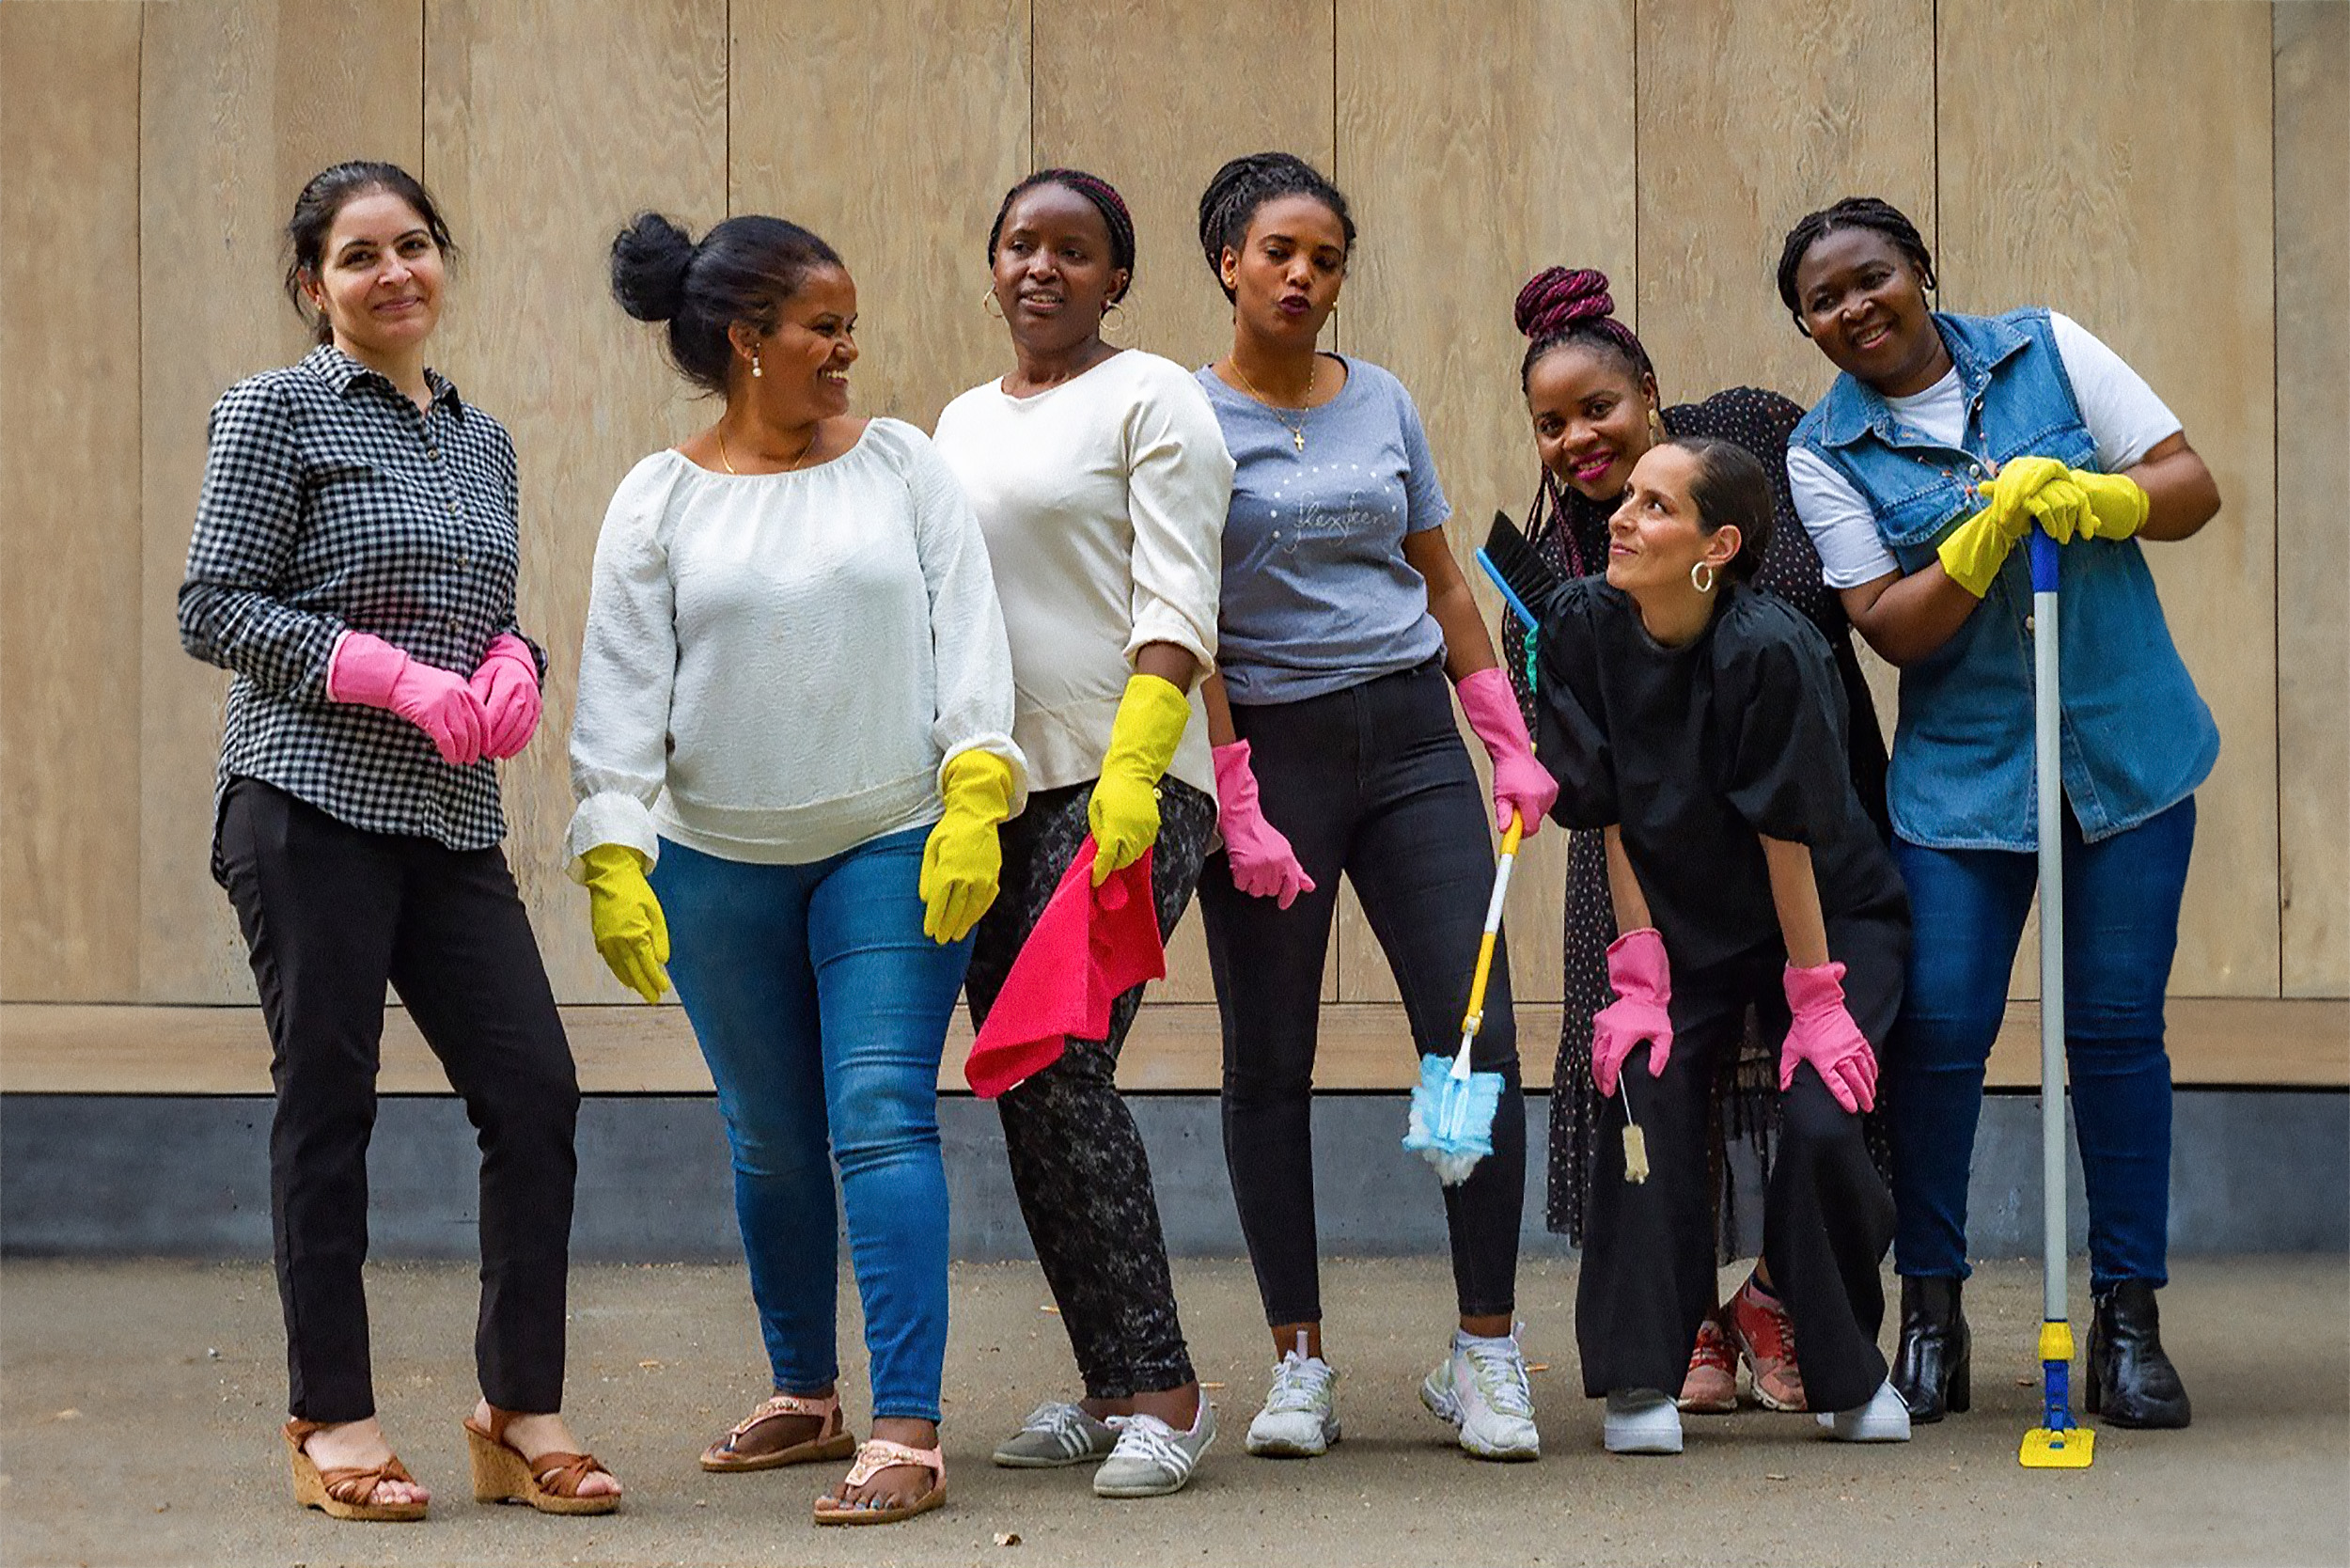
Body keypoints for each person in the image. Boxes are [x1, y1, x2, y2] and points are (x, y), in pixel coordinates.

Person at [180, 161, 619, 1521]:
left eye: (413, 245)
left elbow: (482, 608)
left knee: (535, 1091)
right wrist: (377, 673)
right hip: (305, 802)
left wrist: (515, 664)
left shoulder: (483, 439)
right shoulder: (275, 411)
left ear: (442, 261)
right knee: (331, 1102)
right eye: (358, 256)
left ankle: (517, 1409)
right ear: (313, 286)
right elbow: (213, 605)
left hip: (447, 817)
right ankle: (333, 1417)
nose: (394, 273)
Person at [572, 212, 1026, 1524]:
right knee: (769, 1138)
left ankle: (907, 1428)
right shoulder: (657, 500)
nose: (847, 349)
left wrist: (975, 793)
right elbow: (621, 692)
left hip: (893, 840)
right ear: (745, 340)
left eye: (849, 326)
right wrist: (613, 849)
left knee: (879, 1112)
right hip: (716, 864)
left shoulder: (902, 465)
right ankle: (804, 1393)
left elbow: (970, 636)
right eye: (824, 328)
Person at [1778, 196, 2219, 1430]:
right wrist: (1982, 538)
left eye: (1873, 277)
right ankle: (1933, 1312)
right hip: (1963, 786)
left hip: (2128, 754)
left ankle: (2128, 1320)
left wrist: (2108, 500)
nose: (1856, 308)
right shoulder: (1825, 452)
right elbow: (1888, 624)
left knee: (2117, 1036)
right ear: (1809, 329)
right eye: (1824, 301)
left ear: (1920, 269)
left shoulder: (2048, 350)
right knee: (1940, 1041)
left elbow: (2189, 485)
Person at [1188, 151, 1559, 1463]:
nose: (1303, 276)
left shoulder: (1383, 398)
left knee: (1477, 1034)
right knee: (1268, 1059)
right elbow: (1185, 616)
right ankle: (1298, 1363)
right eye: (1278, 252)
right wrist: (1233, 791)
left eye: (1326, 259)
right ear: (1228, 262)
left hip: (1408, 742)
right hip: (1268, 752)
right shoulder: (1182, 418)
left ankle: (1485, 1352)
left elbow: (1444, 579)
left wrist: (1502, 736)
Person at [1504, 265, 1891, 1416]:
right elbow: (1593, 772)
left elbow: (1830, 586)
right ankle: (1671, 1332)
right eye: (1550, 425)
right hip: (1661, 853)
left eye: (1597, 409)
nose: (1578, 442)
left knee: (1824, 1088)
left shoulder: (1751, 439)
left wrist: (1816, 986)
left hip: (1799, 809)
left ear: (1648, 389)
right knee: (1648, 1076)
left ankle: (1785, 1301)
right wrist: (1639, 958)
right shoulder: (1574, 568)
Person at [932, 168, 1231, 1498]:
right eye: (1020, 244)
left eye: (1074, 249)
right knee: (1024, 1076)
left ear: (1118, 277)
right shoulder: (958, 422)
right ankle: (1110, 1384)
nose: (1041, 267)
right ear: (992, 265)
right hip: (1005, 791)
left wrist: (1138, 766)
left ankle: (1168, 1392)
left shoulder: (1153, 396)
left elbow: (1180, 590)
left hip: (1130, 780)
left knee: (1059, 1061)